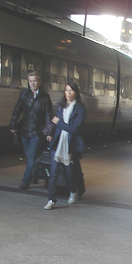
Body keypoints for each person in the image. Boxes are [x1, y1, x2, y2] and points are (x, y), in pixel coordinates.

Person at [44, 82, 86, 210]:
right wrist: (50, 133)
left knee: (69, 174)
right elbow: (54, 122)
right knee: (53, 173)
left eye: (71, 90)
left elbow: (74, 129)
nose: (68, 93)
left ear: (76, 93)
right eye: (66, 90)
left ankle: (73, 191)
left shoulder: (80, 108)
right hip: (57, 143)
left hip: (69, 144)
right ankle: (51, 199)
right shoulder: (60, 106)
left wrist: (60, 123)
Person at [9, 71, 52, 189]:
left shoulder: (45, 97)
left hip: (38, 132)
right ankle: (35, 175)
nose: (32, 84)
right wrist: (12, 125)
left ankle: (26, 181)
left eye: (35, 81)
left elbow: (48, 115)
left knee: (31, 156)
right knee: (30, 157)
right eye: (30, 81)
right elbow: (17, 110)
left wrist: (49, 132)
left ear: (39, 82)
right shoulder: (24, 94)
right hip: (25, 131)